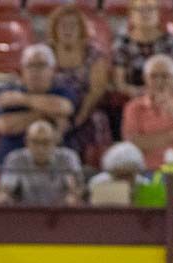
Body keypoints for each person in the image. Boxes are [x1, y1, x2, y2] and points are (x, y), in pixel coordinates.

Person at [46, 4, 110, 163]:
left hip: (85, 108)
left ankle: (95, 167)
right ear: (55, 29)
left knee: (97, 120)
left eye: (72, 25)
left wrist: (79, 117)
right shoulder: (46, 52)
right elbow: (38, 84)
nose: (67, 30)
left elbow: (96, 90)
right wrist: (56, 113)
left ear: (81, 29)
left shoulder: (93, 53)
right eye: (62, 26)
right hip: (52, 107)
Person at [0, 44, 76, 164]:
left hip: (55, 162)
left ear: (52, 70)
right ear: (22, 70)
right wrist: (49, 115)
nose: (34, 71)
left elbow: (64, 107)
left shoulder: (62, 90)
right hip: (13, 158)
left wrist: (22, 99)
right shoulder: (9, 90)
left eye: (41, 65)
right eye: (30, 66)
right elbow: (6, 126)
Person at [122, 55, 173, 170]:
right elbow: (134, 144)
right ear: (145, 78)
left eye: (165, 76)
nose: (159, 81)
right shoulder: (134, 107)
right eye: (154, 76)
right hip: (149, 170)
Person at [0, 120, 84, 206]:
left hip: (60, 215)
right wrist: (3, 198)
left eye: (46, 142)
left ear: (55, 141)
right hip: (25, 216)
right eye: (35, 142)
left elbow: (78, 188)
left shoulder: (67, 158)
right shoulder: (16, 159)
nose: (40, 148)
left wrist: (73, 196)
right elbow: (5, 190)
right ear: (27, 142)